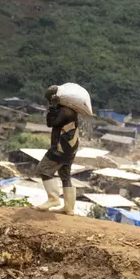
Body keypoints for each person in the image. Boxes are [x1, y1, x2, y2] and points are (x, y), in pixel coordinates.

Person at [34, 85, 80, 215]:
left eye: (50, 99)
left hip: (62, 146)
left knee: (44, 169)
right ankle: (69, 208)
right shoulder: (69, 109)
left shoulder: (65, 111)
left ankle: (53, 199)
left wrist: (53, 108)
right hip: (71, 146)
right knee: (65, 175)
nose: (49, 102)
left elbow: (51, 123)